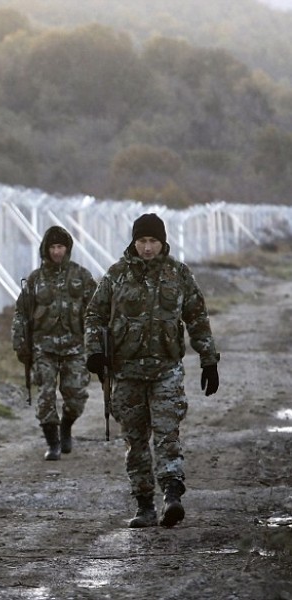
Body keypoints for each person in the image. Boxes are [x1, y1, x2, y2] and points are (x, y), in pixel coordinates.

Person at [84, 213, 220, 529]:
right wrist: (94, 352)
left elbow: (197, 318)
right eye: (142, 241)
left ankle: (172, 493)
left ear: (163, 242)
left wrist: (208, 359)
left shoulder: (178, 275)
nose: (147, 248)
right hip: (127, 372)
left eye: (153, 241)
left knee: (167, 432)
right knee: (135, 441)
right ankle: (144, 504)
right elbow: (94, 315)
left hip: (166, 370)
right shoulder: (116, 275)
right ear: (134, 242)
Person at [11, 226, 97, 460]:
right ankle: (53, 443)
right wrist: (20, 342)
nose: (57, 252)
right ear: (45, 250)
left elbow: (98, 311)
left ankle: (66, 426)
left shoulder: (82, 276)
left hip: (74, 347)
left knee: (77, 396)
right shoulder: (35, 279)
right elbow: (21, 313)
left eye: (60, 247)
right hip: (43, 348)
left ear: (67, 249)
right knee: (46, 396)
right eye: (52, 247)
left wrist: (99, 342)